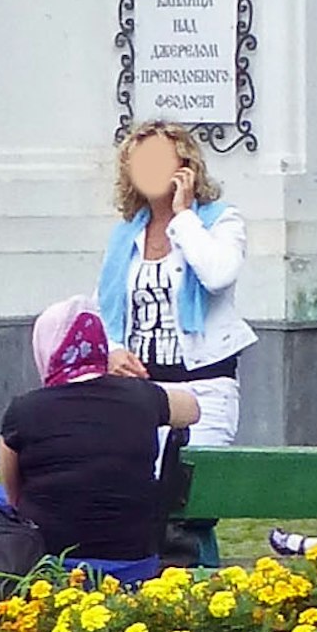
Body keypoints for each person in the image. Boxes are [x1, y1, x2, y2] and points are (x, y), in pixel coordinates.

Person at [0, 298, 194, 572]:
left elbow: (13, 495)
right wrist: (133, 386)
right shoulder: (142, 397)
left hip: (53, 564)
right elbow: (192, 409)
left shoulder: (24, 409)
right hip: (135, 563)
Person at [96, 123, 252, 447]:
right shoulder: (126, 235)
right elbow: (102, 307)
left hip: (204, 386)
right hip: (141, 390)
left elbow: (218, 275)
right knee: (140, 488)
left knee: (194, 486)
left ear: (185, 167)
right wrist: (112, 352)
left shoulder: (219, 221)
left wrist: (183, 215)